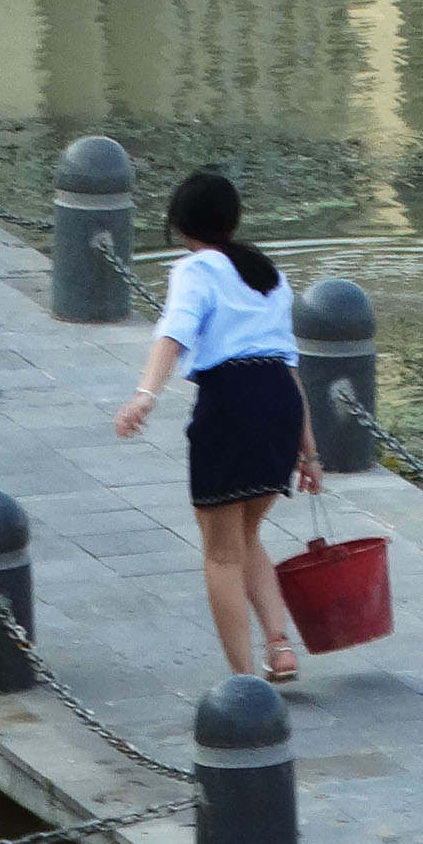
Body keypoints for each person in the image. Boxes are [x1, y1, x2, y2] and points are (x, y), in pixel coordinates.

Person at [112, 173, 325, 682]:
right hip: (278, 405)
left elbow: (174, 332)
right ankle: (280, 646)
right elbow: (289, 365)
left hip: (231, 404)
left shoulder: (195, 269)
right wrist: (309, 451)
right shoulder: (267, 274)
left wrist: (145, 395)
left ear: (181, 224)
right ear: (233, 220)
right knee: (246, 533)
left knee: (221, 552)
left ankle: (244, 682)